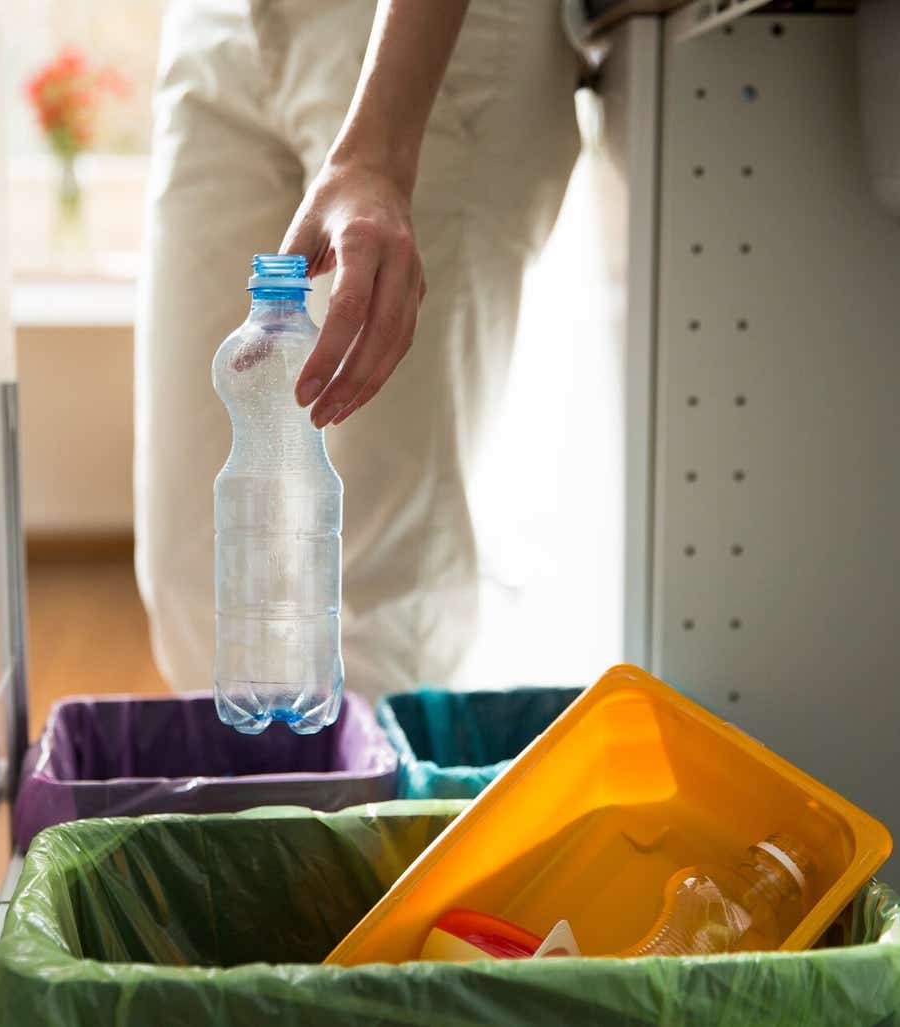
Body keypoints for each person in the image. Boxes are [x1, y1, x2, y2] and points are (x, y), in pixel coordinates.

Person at [136, 0, 584, 700]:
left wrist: (379, 151)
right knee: (195, 569)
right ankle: (262, 804)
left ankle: (381, 807)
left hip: (423, 38)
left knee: (376, 584)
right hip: (217, 28)